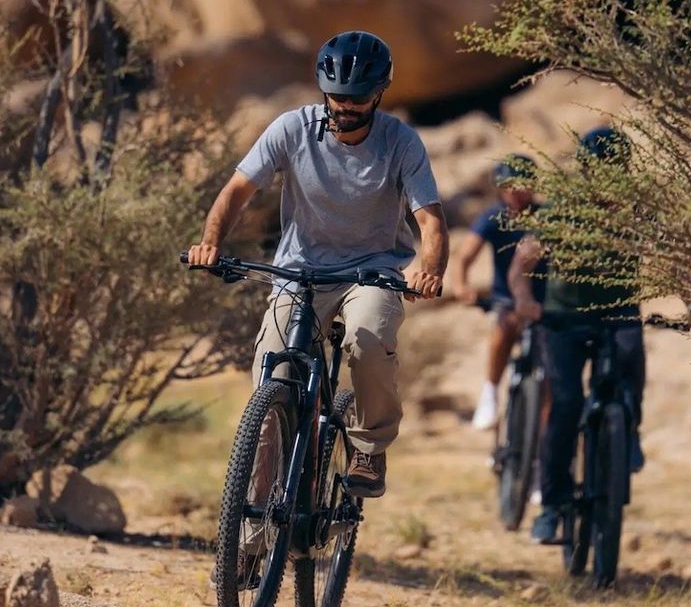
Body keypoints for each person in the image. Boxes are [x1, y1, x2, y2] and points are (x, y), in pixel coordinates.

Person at [188, 30, 448, 502]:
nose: (345, 107)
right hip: (299, 269)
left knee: (367, 339)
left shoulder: (400, 142)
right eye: (336, 97)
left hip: (373, 270)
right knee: (272, 384)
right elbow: (237, 193)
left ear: (379, 93)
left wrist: (428, 270)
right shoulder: (291, 129)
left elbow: (430, 221)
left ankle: (368, 447)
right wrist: (210, 243)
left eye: (358, 98)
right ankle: (250, 538)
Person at [508, 127, 647, 544]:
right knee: (566, 403)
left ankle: (629, 432)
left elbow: (678, 258)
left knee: (629, 363)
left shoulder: (638, 213)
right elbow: (521, 267)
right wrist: (524, 299)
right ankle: (551, 506)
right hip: (563, 321)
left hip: (618, 315)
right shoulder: (560, 213)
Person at [451, 156, 546, 430]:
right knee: (504, 327)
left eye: (522, 184)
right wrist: (461, 286)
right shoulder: (494, 218)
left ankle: (545, 431)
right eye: (508, 185)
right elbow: (465, 256)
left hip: (544, 301)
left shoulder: (546, 218)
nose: (516, 192)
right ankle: (490, 393)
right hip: (506, 300)